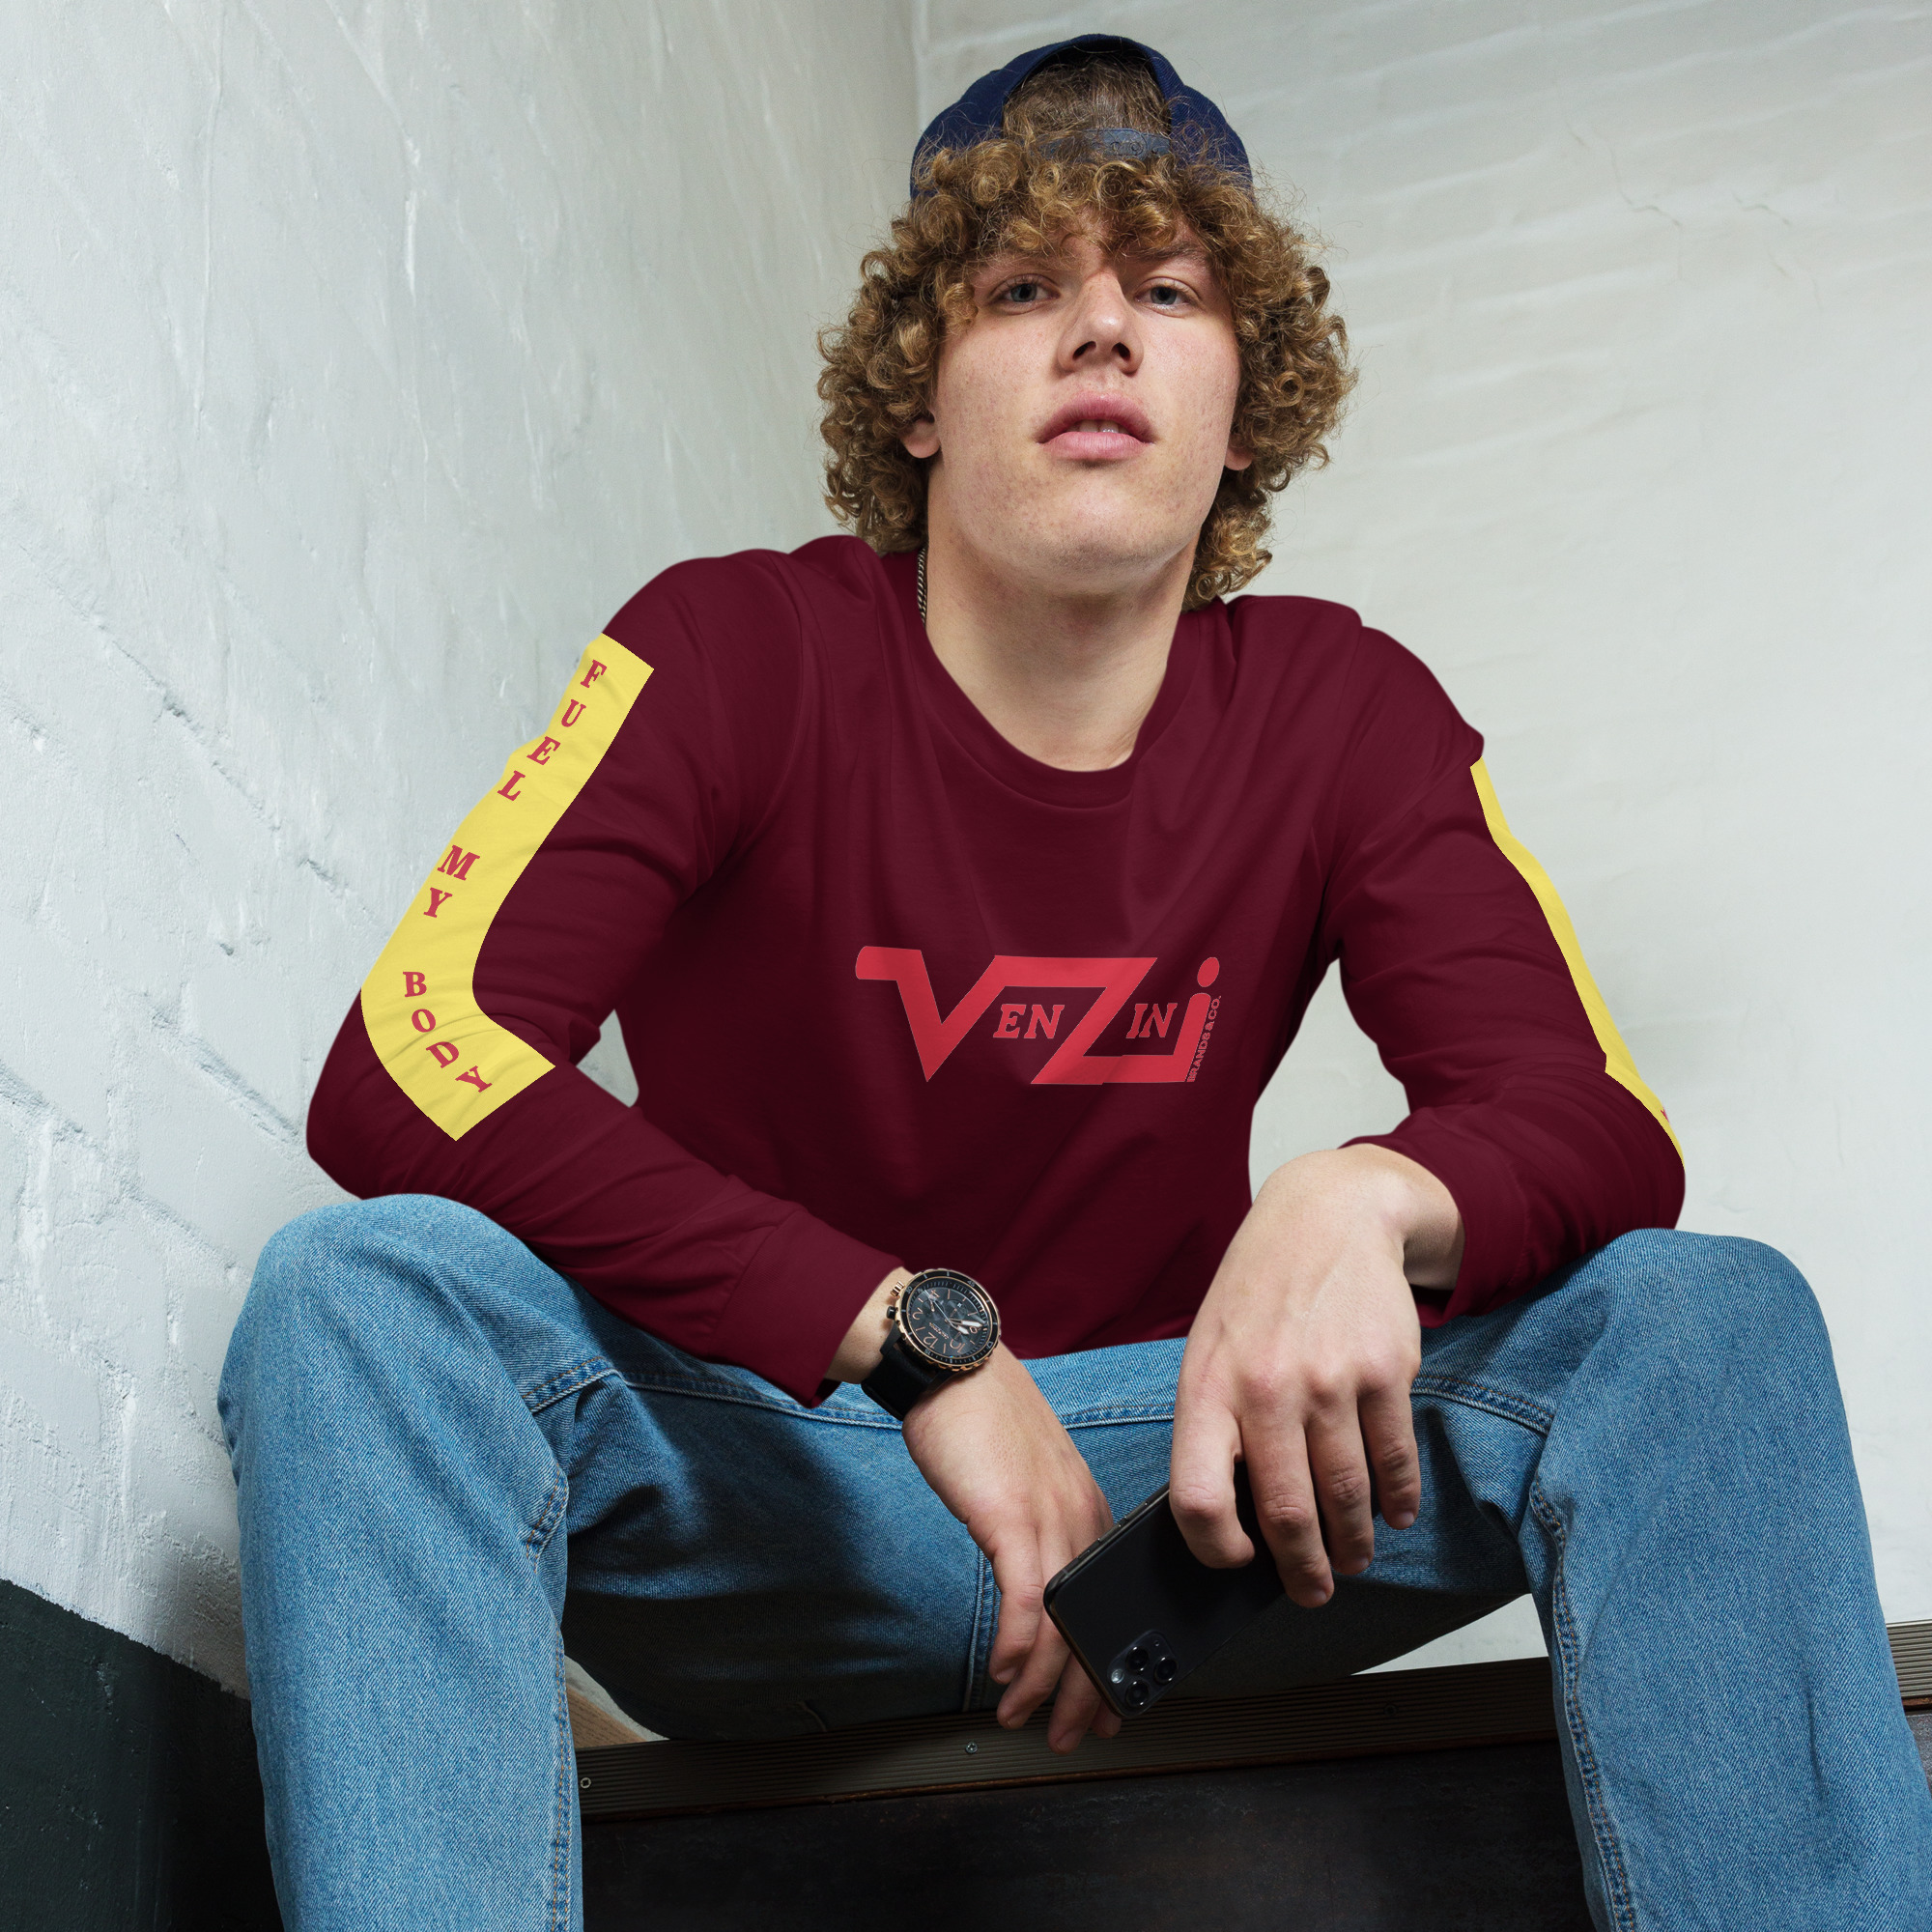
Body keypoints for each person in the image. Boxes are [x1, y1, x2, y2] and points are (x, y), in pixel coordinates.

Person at [219, 35, 1931, 1931]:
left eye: (1169, 293)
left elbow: (1594, 1121)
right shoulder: (730, 647)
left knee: (1701, 1319)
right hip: (783, 1482)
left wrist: (1360, 1195)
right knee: (361, 1293)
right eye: (1024, 286)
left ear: (1241, 410)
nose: (1101, 330)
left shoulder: (1341, 705)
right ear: (920, 399)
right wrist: (905, 1336)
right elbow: (411, 1055)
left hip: (1188, 1525)